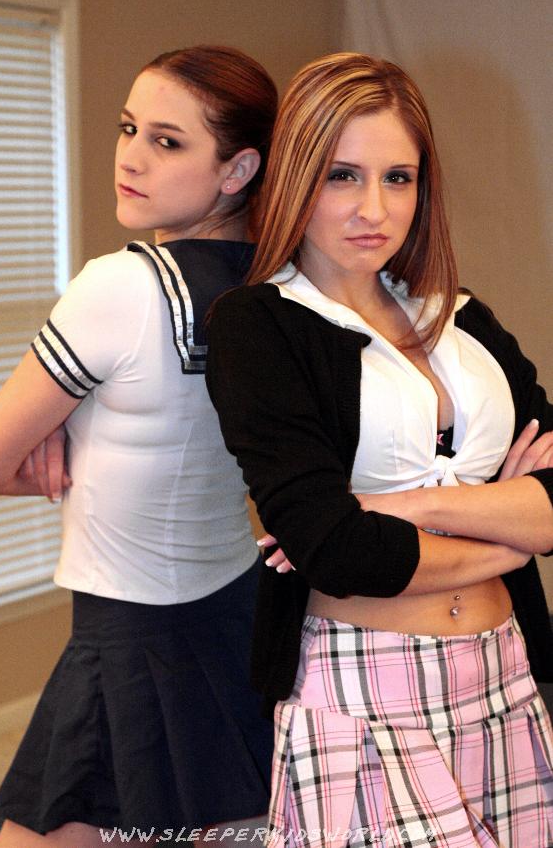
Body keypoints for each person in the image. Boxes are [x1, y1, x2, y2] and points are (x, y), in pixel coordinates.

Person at [205, 52, 553, 847]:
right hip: (363, 687)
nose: (374, 208)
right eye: (342, 177)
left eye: (398, 178)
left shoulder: (461, 318)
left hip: (504, 674)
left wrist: (401, 507)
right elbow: (337, 551)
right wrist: (512, 536)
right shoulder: (257, 326)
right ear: (295, 178)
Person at [0, 45, 277, 848]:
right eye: (128, 129)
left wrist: (58, 449)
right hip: (234, 614)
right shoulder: (277, 287)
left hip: (130, 639)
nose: (131, 157)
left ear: (237, 168)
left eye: (167, 141)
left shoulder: (119, 286)